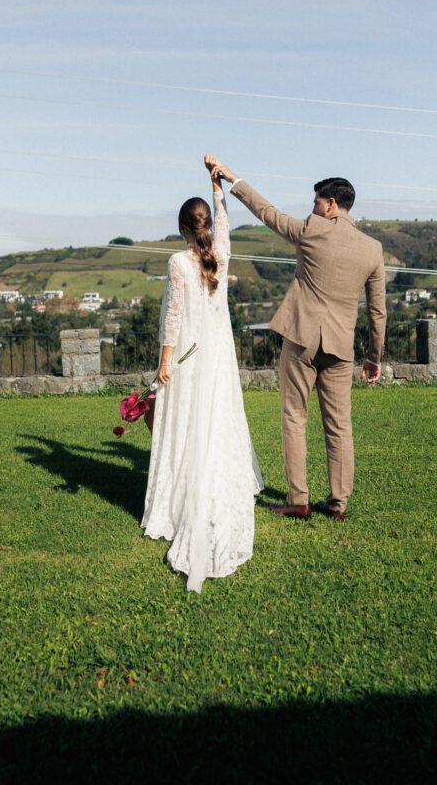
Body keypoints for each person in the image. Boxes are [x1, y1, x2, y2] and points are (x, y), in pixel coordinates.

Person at [209, 161, 386, 523]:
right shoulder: (373, 249)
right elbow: (378, 313)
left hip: (301, 339)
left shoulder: (311, 230)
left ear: (332, 204)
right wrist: (373, 358)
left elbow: (267, 213)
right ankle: (338, 503)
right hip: (340, 347)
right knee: (340, 426)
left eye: (317, 202)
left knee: (294, 417)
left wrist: (234, 180)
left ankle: (298, 499)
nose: (313, 209)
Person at [141, 155, 263, 592]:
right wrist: (216, 186)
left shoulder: (178, 262)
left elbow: (173, 317)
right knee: (215, 420)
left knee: (186, 424)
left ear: (181, 228)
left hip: (190, 357)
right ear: (207, 225)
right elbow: (225, 228)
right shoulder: (222, 254)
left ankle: (178, 504)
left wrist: (163, 363)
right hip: (219, 357)